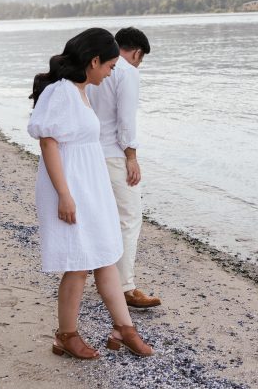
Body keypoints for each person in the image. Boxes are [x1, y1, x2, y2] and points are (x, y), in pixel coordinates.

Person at [28, 28, 154, 359]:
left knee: (104, 255)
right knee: (79, 264)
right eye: (110, 66)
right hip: (70, 185)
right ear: (94, 61)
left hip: (90, 184)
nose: (113, 72)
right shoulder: (61, 92)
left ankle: (124, 329)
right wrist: (65, 195)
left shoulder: (81, 90)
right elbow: (48, 143)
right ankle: (65, 336)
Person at [86, 27, 160, 309]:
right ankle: (125, 287)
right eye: (140, 59)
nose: (138, 63)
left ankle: (101, 276)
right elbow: (126, 121)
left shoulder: (94, 67)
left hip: (91, 153)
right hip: (115, 156)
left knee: (101, 217)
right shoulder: (127, 72)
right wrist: (132, 157)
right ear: (137, 53)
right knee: (129, 218)